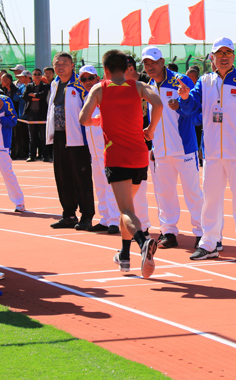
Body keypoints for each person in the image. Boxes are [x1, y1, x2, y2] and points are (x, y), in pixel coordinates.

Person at [178, 37, 236, 263]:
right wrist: (185, 96)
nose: (224, 57)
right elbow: (191, 107)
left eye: (228, 53)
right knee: (210, 200)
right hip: (212, 153)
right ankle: (209, 243)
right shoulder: (205, 81)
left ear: (233, 56)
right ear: (212, 57)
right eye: (220, 53)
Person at [79, 50, 163, 278]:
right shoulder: (139, 86)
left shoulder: (99, 89)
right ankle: (124, 256)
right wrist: (150, 129)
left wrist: (97, 120)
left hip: (117, 156)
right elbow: (158, 104)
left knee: (125, 210)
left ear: (105, 70)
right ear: (126, 69)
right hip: (139, 155)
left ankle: (143, 242)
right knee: (128, 209)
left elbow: (83, 119)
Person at [140, 47, 204, 248]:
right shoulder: (149, 86)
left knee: (193, 193)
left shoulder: (180, 81)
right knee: (164, 193)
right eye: (146, 63)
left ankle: (202, 232)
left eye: (153, 62)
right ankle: (168, 231)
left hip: (184, 148)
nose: (150, 67)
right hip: (160, 150)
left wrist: (182, 104)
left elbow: (194, 110)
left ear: (162, 62)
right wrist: (153, 144)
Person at [46, 52, 96, 230]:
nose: (60, 67)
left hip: (78, 138)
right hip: (59, 136)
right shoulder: (54, 83)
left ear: (72, 65)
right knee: (62, 176)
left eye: (64, 64)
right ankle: (68, 214)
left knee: (81, 178)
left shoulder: (81, 84)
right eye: (57, 64)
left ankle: (87, 215)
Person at [77, 65, 120, 234]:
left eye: (90, 78)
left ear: (97, 78)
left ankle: (115, 220)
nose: (87, 82)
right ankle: (105, 218)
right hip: (94, 152)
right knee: (100, 185)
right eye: (83, 79)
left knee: (110, 185)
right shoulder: (87, 98)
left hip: (107, 149)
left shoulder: (105, 94)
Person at [0, 74, 26, 213]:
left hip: (2, 142)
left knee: (7, 172)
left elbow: (13, 120)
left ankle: (19, 202)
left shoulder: (5, 100)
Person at [22, 69, 49, 161]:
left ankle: (45, 156)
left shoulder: (45, 86)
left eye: (39, 74)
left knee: (43, 137)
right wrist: (34, 98)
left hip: (42, 114)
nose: (37, 76)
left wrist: (33, 95)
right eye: (35, 74)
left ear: (41, 76)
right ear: (32, 76)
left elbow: (43, 95)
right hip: (31, 114)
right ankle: (31, 156)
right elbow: (24, 97)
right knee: (32, 137)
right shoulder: (29, 86)